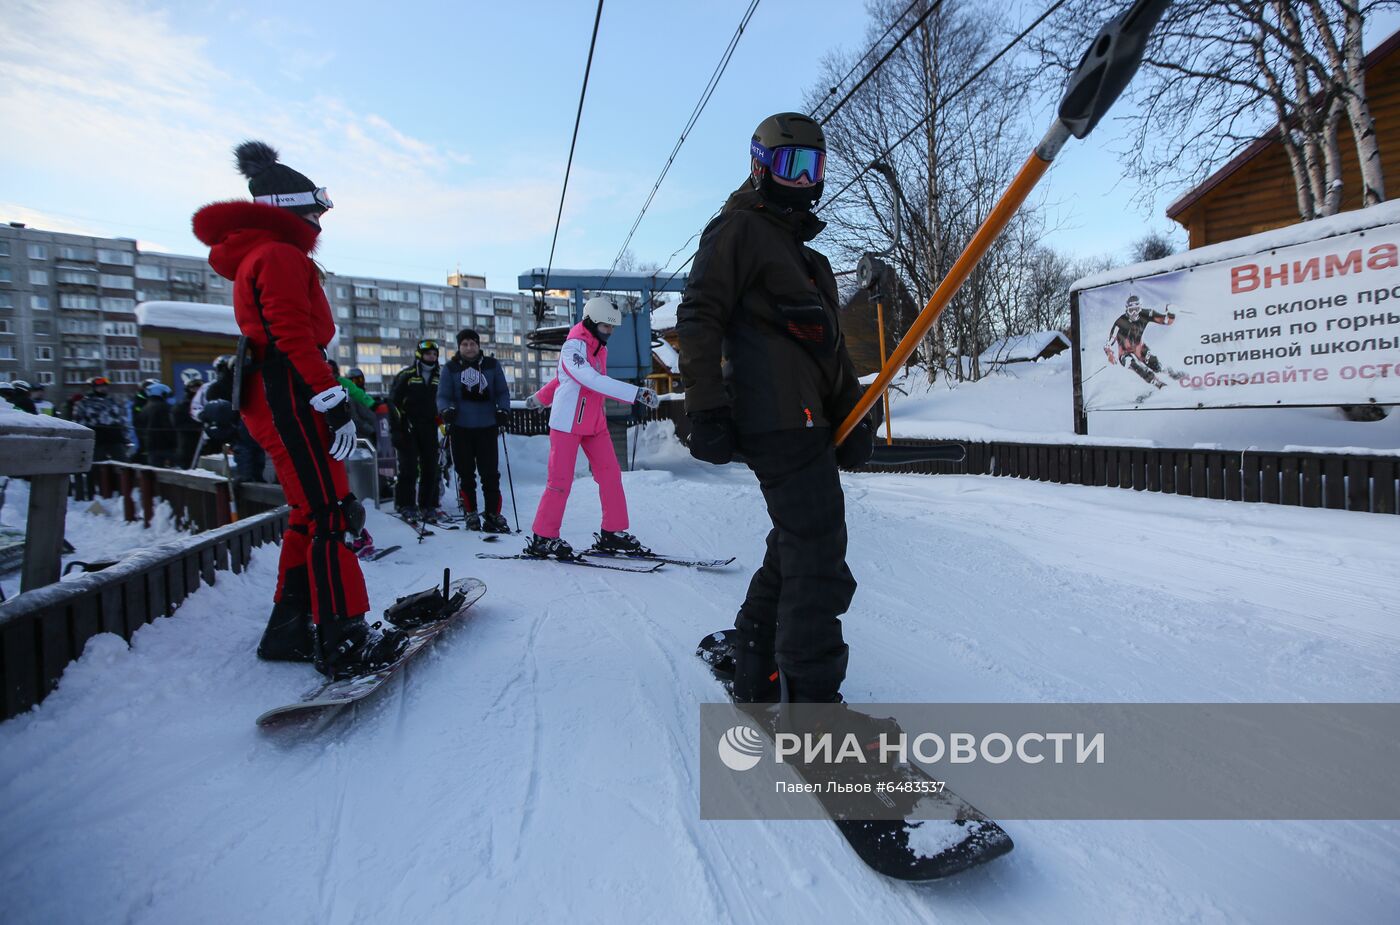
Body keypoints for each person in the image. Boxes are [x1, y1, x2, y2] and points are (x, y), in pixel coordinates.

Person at [675, 112, 875, 705]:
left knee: (796, 542)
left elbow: (830, 355)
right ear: (761, 167)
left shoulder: (808, 262)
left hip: (809, 421)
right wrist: (705, 406)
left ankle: (757, 656)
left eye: (812, 167)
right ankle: (811, 698)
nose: (802, 179)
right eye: (790, 165)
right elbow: (699, 313)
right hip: (775, 418)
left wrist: (853, 418)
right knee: (818, 556)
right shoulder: (738, 229)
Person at [193, 139, 405, 679]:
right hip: (290, 392)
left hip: (279, 391)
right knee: (334, 512)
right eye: (314, 210)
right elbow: (290, 332)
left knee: (311, 513)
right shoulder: (281, 256)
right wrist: (331, 399)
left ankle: (290, 627)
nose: (320, 221)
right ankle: (344, 634)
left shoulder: (263, 255)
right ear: (288, 211)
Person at [523, 297, 659, 558]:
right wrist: (636, 393)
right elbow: (590, 379)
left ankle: (613, 532)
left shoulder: (598, 348)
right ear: (591, 322)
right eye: (606, 326)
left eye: (612, 327)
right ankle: (543, 535)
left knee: (611, 476)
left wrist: (540, 398)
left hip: (594, 422)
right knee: (560, 481)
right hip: (567, 424)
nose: (610, 332)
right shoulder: (573, 347)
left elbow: (562, 381)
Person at [437, 328, 512, 532]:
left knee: (490, 474)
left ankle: (493, 514)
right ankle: (470, 513)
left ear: (478, 345)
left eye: (472, 343)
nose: (469, 348)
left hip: (487, 427)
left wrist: (503, 410)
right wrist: (446, 410)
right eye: (465, 344)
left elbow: (502, 392)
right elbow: (443, 395)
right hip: (461, 428)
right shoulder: (450, 368)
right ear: (459, 347)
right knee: (466, 474)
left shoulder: (491, 365)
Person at [388, 340, 444, 523]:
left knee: (431, 467)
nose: (432, 357)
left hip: (429, 427)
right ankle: (406, 504)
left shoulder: (439, 376)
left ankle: (429, 505)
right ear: (420, 355)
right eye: (428, 354)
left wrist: (444, 424)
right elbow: (393, 404)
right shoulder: (407, 375)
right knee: (409, 468)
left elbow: (443, 403)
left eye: (434, 354)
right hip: (408, 427)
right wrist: (397, 430)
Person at [1104, 294, 1180, 389]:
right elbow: (1109, 342)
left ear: (1140, 308)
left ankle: (1166, 371)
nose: (1134, 313)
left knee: (1152, 363)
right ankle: (1156, 382)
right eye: (1131, 311)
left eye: (1136, 309)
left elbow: (1166, 321)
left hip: (1138, 347)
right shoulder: (1120, 322)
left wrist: (1171, 313)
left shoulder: (1146, 314)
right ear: (1126, 310)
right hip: (1124, 351)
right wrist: (1109, 354)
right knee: (1133, 364)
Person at [71, 376, 130, 461]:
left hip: (115, 436)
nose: (103, 389)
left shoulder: (113, 402)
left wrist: (125, 436)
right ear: (93, 388)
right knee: (96, 464)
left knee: (122, 462)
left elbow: (123, 420)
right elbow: (79, 422)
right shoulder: (84, 403)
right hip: (97, 438)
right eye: (100, 387)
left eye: (105, 386)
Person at [136, 382, 177, 467]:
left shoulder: (144, 408)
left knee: (156, 473)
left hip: (150, 446)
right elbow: (168, 427)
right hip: (166, 447)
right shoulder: (164, 407)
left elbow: (139, 427)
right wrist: (175, 442)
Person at [173, 377, 204, 467]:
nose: (196, 391)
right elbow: (178, 424)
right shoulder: (182, 406)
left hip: (206, 444)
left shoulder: (206, 403)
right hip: (188, 444)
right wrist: (197, 428)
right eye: (194, 388)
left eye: (199, 388)